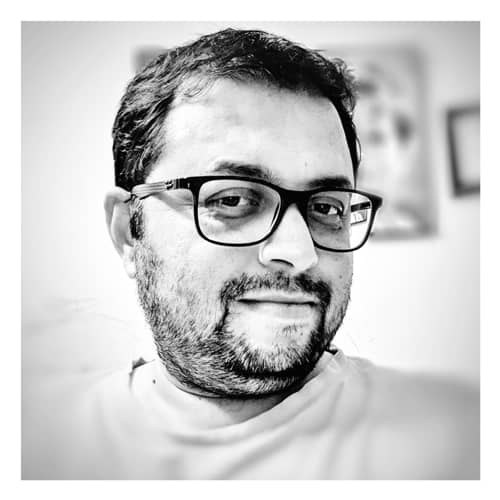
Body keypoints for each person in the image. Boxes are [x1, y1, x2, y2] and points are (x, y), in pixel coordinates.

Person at [23, 28, 479, 480]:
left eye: (326, 208)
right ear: (128, 231)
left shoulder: (460, 441)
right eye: (233, 200)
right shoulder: (41, 449)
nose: (298, 252)